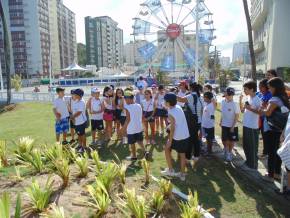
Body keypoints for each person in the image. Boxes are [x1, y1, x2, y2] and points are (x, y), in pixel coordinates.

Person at [259, 77, 290, 182]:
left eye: (270, 87)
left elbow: (267, 113)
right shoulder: (284, 97)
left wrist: (262, 109)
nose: (269, 90)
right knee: (277, 151)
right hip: (282, 129)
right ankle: (277, 174)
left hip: (274, 129)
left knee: (272, 151)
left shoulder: (275, 99)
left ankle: (271, 174)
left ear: (275, 87)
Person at [161, 93, 190, 181]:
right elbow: (177, 122)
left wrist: (170, 140)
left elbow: (173, 127)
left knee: (166, 149)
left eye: (165, 101)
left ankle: (171, 170)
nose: (164, 102)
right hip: (185, 135)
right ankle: (182, 174)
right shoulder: (178, 107)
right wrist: (169, 126)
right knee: (182, 154)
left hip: (177, 136)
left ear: (169, 103)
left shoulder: (170, 112)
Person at [177, 82, 203, 162]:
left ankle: (188, 157)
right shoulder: (199, 96)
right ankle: (196, 155)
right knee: (195, 139)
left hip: (192, 122)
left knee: (190, 139)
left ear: (191, 88)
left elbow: (180, 99)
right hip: (198, 121)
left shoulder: (191, 96)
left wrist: (171, 94)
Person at [120, 90, 149, 161]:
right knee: (140, 141)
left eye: (125, 99)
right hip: (139, 128)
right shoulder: (139, 105)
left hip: (131, 129)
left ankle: (134, 156)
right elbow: (142, 117)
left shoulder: (127, 107)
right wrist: (144, 127)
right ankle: (145, 151)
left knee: (132, 143)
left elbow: (127, 120)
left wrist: (123, 129)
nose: (125, 100)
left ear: (130, 98)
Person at [240, 81, 261, 169]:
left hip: (252, 126)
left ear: (252, 89)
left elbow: (260, 112)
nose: (244, 91)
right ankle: (248, 162)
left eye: (246, 89)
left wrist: (250, 108)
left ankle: (253, 165)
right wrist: (241, 102)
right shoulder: (248, 98)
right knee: (246, 145)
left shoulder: (257, 99)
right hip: (246, 124)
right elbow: (243, 111)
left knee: (252, 146)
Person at [220, 87, 240, 162]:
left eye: (227, 95)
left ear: (232, 95)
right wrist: (221, 121)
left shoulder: (235, 104)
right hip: (224, 124)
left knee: (231, 140)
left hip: (233, 126)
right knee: (225, 140)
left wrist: (232, 126)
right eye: (225, 95)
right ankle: (226, 149)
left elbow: (237, 116)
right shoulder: (223, 102)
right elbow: (223, 113)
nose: (226, 97)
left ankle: (229, 153)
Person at [257, 79, 272, 158]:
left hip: (266, 119)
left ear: (266, 87)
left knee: (265, 136)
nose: (260, 89)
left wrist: (262, 106)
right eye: (259, 87)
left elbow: (265, 106)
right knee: (261, 135)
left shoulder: (269, 95)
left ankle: (266, 152)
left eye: (261, 87)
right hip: (259, 118)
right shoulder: (259, 94)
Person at [277, 113, 290, 199]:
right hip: (286, 141)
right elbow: (288, 123)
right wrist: (282, 133)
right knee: (288, 168)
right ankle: (288, 188)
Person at [70, 89, 87, 153]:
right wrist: (73, 119)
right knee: (79, 134)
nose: (73, 95)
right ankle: (80, 145)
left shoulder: (81, 102)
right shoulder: (76, 100)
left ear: (79, 95)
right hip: (76, 121)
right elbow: (74, 110)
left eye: (75, 94)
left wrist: (72, 117)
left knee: (82, 134)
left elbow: (79, 112)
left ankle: (84, 147)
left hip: (81, 121)